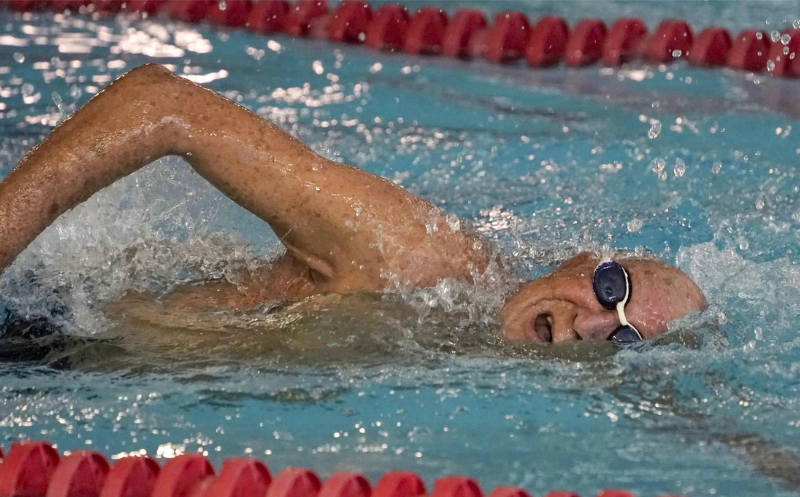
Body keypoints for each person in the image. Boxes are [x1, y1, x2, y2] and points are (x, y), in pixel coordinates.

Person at [0, 64, 706, 345]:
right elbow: (161, 105)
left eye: (619, 337)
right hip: (40, 339)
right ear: (583, 260)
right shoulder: (421, 260)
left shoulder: (463, 348)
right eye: (608, 289)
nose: (585, 322)